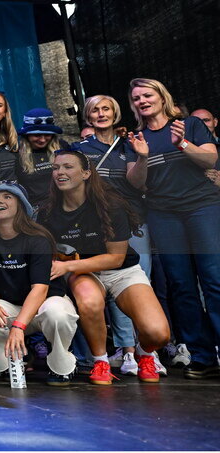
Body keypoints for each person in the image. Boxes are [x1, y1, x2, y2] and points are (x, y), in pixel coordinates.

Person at [41, 149, 170, 384]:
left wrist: (67, 266)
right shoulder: (48, 212)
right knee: (89, 301)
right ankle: (101, 361)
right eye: (56, 168)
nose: (60, 172)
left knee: (158, 333)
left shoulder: (111, 204)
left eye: (68, 167)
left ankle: (144, 353)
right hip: (83, 272)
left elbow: (115, 259)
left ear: (86, 173)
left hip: (123, 272)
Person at [126, 77, 220, 379]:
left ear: (161, 96)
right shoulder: (137, 137)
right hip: (164, 215)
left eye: (147, 94)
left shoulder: (190, 124)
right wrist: (141, 157)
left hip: (202, 208)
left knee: (214, 280)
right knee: (181, 286)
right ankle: (203, 356)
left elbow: (211, 158)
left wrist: (182, 143)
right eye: (136, 98)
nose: (142, 100)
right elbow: (136, 182)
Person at [73, 94, 161, 375]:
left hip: (133, 222)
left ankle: (149, 351)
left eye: (106, 109)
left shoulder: (130, 144)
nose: (101, 114)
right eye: (95, 110)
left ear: (116, 113)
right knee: (112, 287)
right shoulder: (78, 148)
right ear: (88, 117)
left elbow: (137, 182)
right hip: (98, 227)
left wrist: (143, 156)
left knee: (139, 284)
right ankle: (127, 352)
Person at [0, 182, 79, 386]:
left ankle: (62, 365)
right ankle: (11, 361)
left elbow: (40, 289)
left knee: (57, 313)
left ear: (21, 204)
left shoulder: (38, 238)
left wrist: (18, 326)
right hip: (14, 306)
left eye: (7, 197)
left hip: (45, 304)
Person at [16, 108, 66, 214]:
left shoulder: (63, 147)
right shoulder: (16, 154)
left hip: (65, 206)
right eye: (37, 135)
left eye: (47, 135)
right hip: (35, 212)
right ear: (26, 135)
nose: (42, 140)